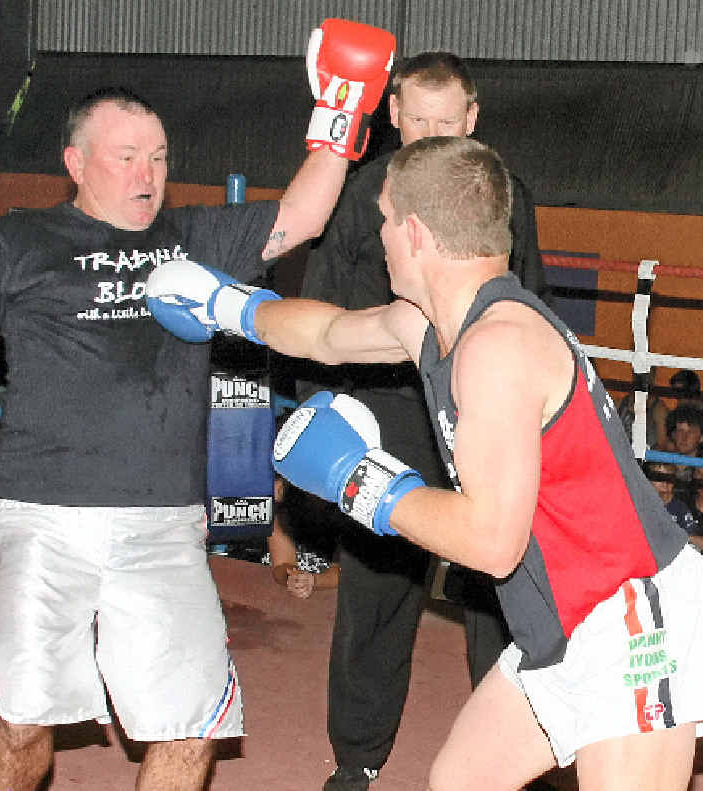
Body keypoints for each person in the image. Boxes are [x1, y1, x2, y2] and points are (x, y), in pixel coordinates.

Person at [0, 20, 396, 790]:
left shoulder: (192, 237)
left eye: (159, 157)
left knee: (189, 719)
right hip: (40, 513)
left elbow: (302, 217)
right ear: (76, 162)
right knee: (23, 715)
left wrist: (338, 116)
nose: (148, 173)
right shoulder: (21, 240)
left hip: (162, 521)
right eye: (127, 156)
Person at [146, 135, 703, 790]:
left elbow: (491, 542)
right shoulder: (429, 323)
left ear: (416, 233)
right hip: (562, 621)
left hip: (629, 619)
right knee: (461, 779)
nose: (380, 239)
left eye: (384, 222)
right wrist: (230, 308)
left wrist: (357, 479)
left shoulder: (497, 348)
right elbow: (324, 332)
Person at [295, 50, 546, 789]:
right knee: (375, 590)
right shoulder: (358, 195)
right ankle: (356, 758)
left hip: (478, 410)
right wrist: (326, 407)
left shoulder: (505, 195)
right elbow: (322, 308)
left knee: (499, 596)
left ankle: (512, 753)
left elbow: (527, 307)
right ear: (394, 115)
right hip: (388, 412)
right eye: (419, 119)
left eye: (449, 120)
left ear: (472, 119)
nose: (434, 133)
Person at [264, 476, 340, 599]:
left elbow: (348, 573)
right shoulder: (279, 512)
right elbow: (281, 565)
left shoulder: (337, 506)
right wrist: (292, 577)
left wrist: (314, 581)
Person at [643, 460, 697, 535]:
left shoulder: (680, 508)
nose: (665, 483)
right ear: (647, 479)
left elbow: (689, 537)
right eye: (658, 477)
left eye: (669, 478)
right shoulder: (636, 502)